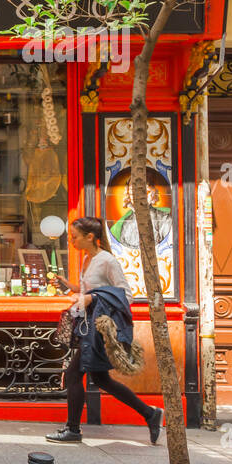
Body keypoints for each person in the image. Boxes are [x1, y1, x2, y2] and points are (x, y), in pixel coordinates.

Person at [46, 216, 163, 444]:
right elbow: (87, 289)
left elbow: (125, 294)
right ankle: (149, 413)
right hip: (88, 326)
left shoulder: (107, 260)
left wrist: (93, 297)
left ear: (90, 237)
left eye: (75, 237)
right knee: (100, 379)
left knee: (72, 374)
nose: (71, 241)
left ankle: (73, 429)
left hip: (99, 328)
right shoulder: (87, 259)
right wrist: (69, 286)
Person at [109, 179, 172, 252]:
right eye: (133, 193)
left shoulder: (164, 220)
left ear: (151, 194)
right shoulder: (126, 223)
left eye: (142, 192)